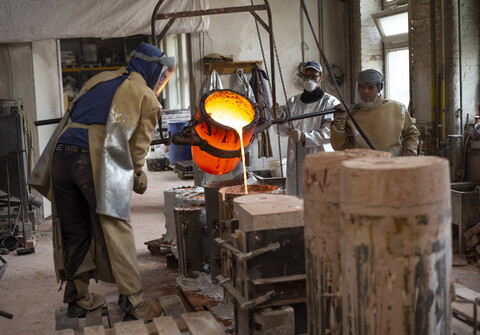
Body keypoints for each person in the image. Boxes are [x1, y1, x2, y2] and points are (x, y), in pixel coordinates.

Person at [28, 42, 175, 320]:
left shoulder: (100, 79)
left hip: (61, 155)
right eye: (163, 75)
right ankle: (134, 303)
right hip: (93, 157)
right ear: (154, 70)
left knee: (75, 231)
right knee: (116, 227)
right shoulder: (145, 95)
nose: (162, 81)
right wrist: (138, 176)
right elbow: (137, 150)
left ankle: (77, 299)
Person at [275, 60, 340, 196]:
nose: (309, 79)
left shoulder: (330, 103)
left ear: (320, 78)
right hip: (297, 164)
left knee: (322, 202)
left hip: (322, 162)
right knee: (297, 202)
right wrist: (280, 121)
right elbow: (284, 131)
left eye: (313, 76)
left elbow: (331, 132)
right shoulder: (293, 103)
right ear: (302, 77)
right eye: (306, 76)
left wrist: (305, 137)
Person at [330, 69, 420, 156]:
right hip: (362, 165)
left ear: (379, 87)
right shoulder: (351, 114)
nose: (365, 91)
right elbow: (339, 147)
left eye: (370, 87)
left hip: (393, 164)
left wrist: (410, 151)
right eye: (362, 87)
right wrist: (340, 121)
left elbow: (412, 133)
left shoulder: (398, 108)